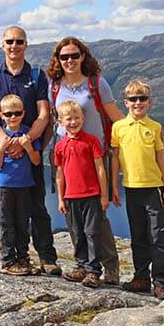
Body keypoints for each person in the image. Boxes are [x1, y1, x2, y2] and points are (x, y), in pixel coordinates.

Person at [0, 25, 60, 275]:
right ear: (3, 45)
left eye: (19, 41)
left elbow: (44, 113)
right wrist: (5, 141)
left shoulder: (36, 75)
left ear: (26, 45)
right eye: (10, 41)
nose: (14, 46)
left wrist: (26, 140)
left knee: (37, 206)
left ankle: (47, 257)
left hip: (29, 147)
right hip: (0, 149)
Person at [46, 36, 124, 284]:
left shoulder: (96, 84)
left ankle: (109, 267)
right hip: (65, 154)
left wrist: (140, 129)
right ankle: (83, 264)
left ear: (83, 57)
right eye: (64, 57)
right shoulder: (55, 86)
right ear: (58, 60)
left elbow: (115, 117)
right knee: (73, 213)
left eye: (74, 55)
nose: (69, 60)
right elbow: (50, 120)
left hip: (94, 155)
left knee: (98, 216)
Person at [111, 79, 164, 299]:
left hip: (153, 188)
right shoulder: (118, 127)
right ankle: (141, 278)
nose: (138, 103)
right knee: (138, 236)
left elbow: (161, 157)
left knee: (158, 237)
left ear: (150, 102)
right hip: (131, 188)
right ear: (125, 102)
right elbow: (115, 158)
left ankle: (162, 282)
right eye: (133, 99)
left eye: (142, 99)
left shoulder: (155, 127)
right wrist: (113, 186)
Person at [54, 100, 108, 288]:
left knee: (92, 233)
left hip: (91, 195)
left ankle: (93, 271)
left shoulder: (91, 141)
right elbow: (59, 174)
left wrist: (104, 195)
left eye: (77, 118)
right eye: (69, 119)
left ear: (83, 118)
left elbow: (100, 168)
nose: (74, 122)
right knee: (77, 233)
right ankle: (81, 266)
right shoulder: (60, 146)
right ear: (61, 122)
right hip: (71, 197)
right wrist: (61, 198)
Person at [0, 94, 42, 275]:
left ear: (23, 113)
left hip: (24, 187)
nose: (13, 117)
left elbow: (36, 161)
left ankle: (23, 258)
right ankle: (7, 261)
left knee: (22, 224)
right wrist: (2, 148)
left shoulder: (29, 133)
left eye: (17, 113)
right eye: (8, 114)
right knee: (7, 225)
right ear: (2, 115)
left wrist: (27, 146)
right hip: (4, 188)